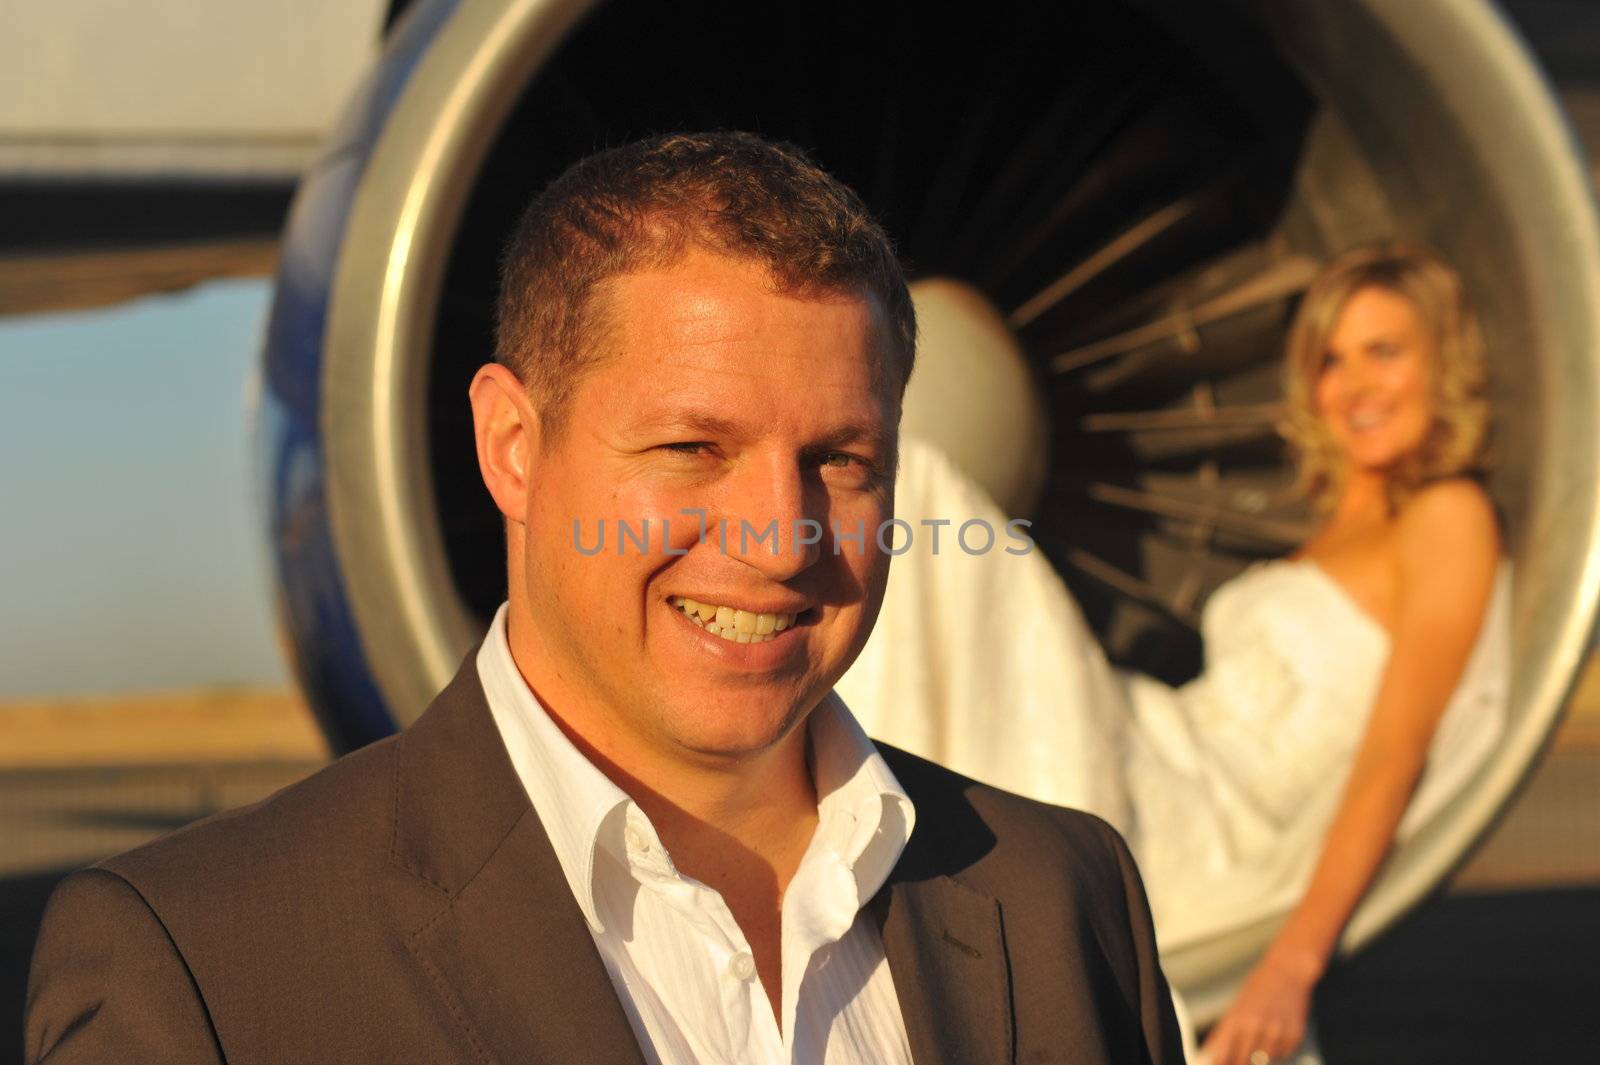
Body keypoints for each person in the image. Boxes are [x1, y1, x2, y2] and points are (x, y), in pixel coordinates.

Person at [25, 132, 1184, 1064]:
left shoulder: (1060, 902)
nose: (780, 536)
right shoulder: (207, 970)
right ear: (512, 447)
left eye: (841, 459)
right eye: (691, 447)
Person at [837, 243, 1508, 1065]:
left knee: (932, 493)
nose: (1355, 384)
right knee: (930, 528)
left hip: (1204, 816)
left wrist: (1291, 964)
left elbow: (1396, 752)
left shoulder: (1448, 513)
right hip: (1162, 748)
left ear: (1443, 362)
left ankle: (846, 860)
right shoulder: (1342, 523)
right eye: (1331, 359)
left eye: (1385, 351)